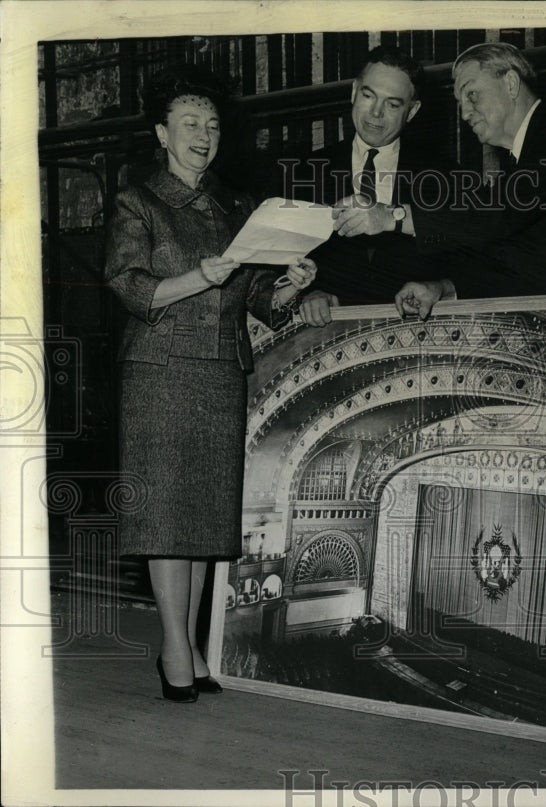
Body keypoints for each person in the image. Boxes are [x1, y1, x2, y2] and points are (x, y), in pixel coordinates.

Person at [104, 64, 316, 702]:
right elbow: (129, 285)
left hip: (221, 369)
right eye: (190, 123)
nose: (204, 133)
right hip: (161, 370)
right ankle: (174, 648)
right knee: (168, 517)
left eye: (213, 124)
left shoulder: (234, 207)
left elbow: (253, 293)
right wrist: (201, 276)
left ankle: (192, 646)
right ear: (161, 134)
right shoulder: (136, 200)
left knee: (201, 518)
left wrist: (291, 284)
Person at [332, 41, 546, 318]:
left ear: (511, 84)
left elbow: (496, 216)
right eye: (460, 103)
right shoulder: (530, 152)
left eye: (472, 95)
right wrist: (443, 288)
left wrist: (391, 215)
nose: (464, 114)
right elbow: (516, 256)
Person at [276, 46, 458, 327]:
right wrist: (307, 293)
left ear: (412, 111)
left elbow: (473, 261)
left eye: (393, 104)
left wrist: (440, 287)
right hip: (329, 338)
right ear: (353, 92)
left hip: (422, 338)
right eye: (368, 95)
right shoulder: (303, 171)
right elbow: (278, 265)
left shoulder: (445, 175)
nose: (375, 113)